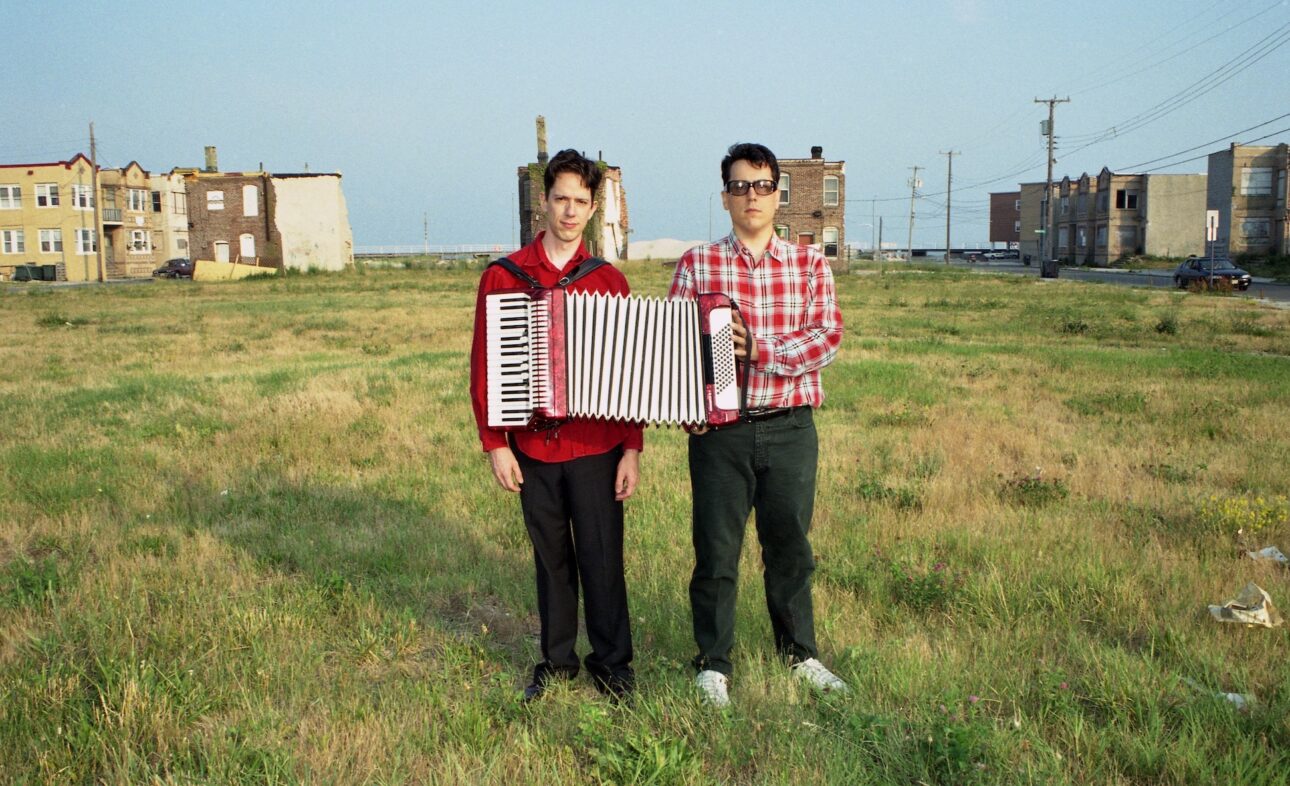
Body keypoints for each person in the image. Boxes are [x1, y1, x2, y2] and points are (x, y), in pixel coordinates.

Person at [667, 142, 846, 708]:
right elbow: (673, 346)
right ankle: (713, 664)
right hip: (722, 433)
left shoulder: (810, 263)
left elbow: (827, 338)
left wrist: (760, 350)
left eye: (763, 185)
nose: (752, 195)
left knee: (790, 546)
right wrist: (686, 407)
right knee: (717, 551)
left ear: (778, 194)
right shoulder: (698, 264)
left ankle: (800, 656)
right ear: (725, 197)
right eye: (740, 186)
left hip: (792, 427)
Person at [469, 149, 642, 702]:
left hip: (596, 446)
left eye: (581, 202)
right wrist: (496, 445)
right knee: (552, 562)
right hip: (533, 449)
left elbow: (632, 374)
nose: (570, 211)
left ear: (594, 209)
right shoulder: (503, 277)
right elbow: (484, 368)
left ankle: (613, 666)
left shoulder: (609, 281)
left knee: (602, 559)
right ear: (543, 201)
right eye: (561, 198)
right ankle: (558, 662)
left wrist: (631, 450)